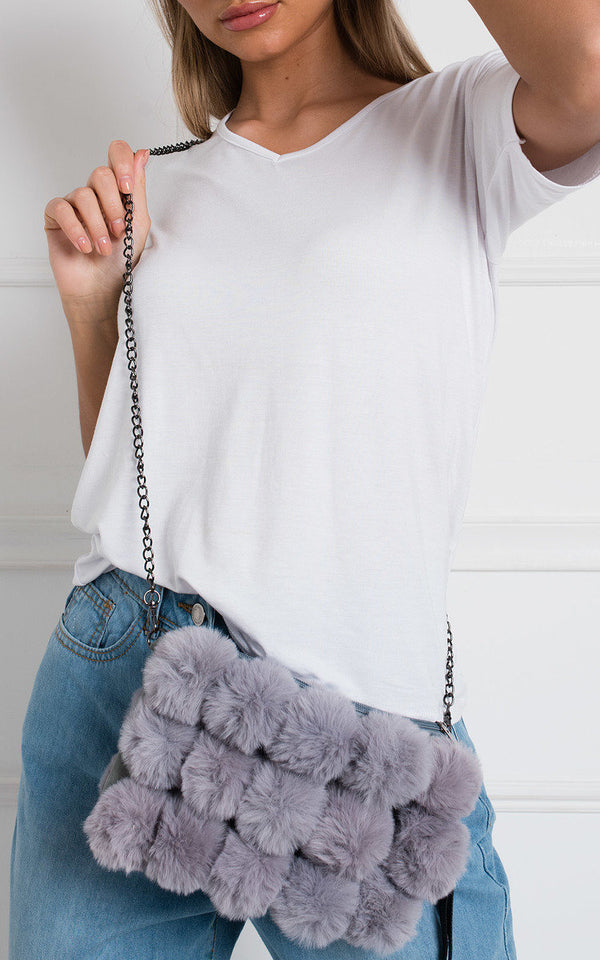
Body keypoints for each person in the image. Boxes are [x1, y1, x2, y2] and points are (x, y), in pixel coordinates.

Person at [10, 1, 600, 958]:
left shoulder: (458, 128)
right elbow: (142, 478)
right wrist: (91, 310)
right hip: (129, 668)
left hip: (358, 728)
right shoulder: (160, 181)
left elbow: (589, 63)